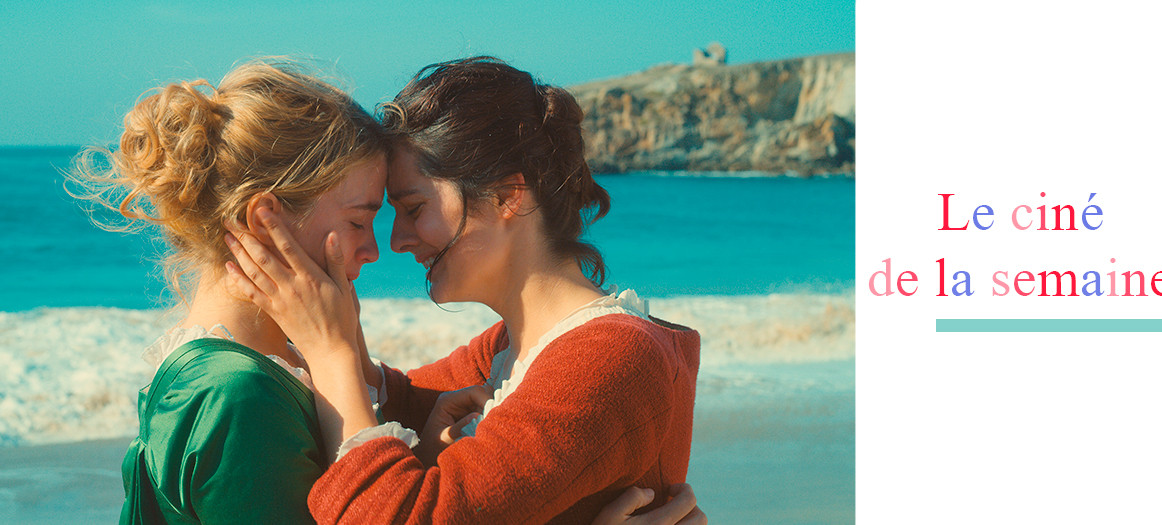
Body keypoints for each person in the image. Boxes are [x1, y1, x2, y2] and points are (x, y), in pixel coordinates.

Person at [75, 57, 699, 525]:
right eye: (365, 218)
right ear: (265, 218)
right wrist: (333, 349)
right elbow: (396, 405)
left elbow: (402, 505)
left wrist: (333, 350)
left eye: (412, 207)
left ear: (508, 196)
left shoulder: (605, 357)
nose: (391, 244)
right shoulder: (505, 353)